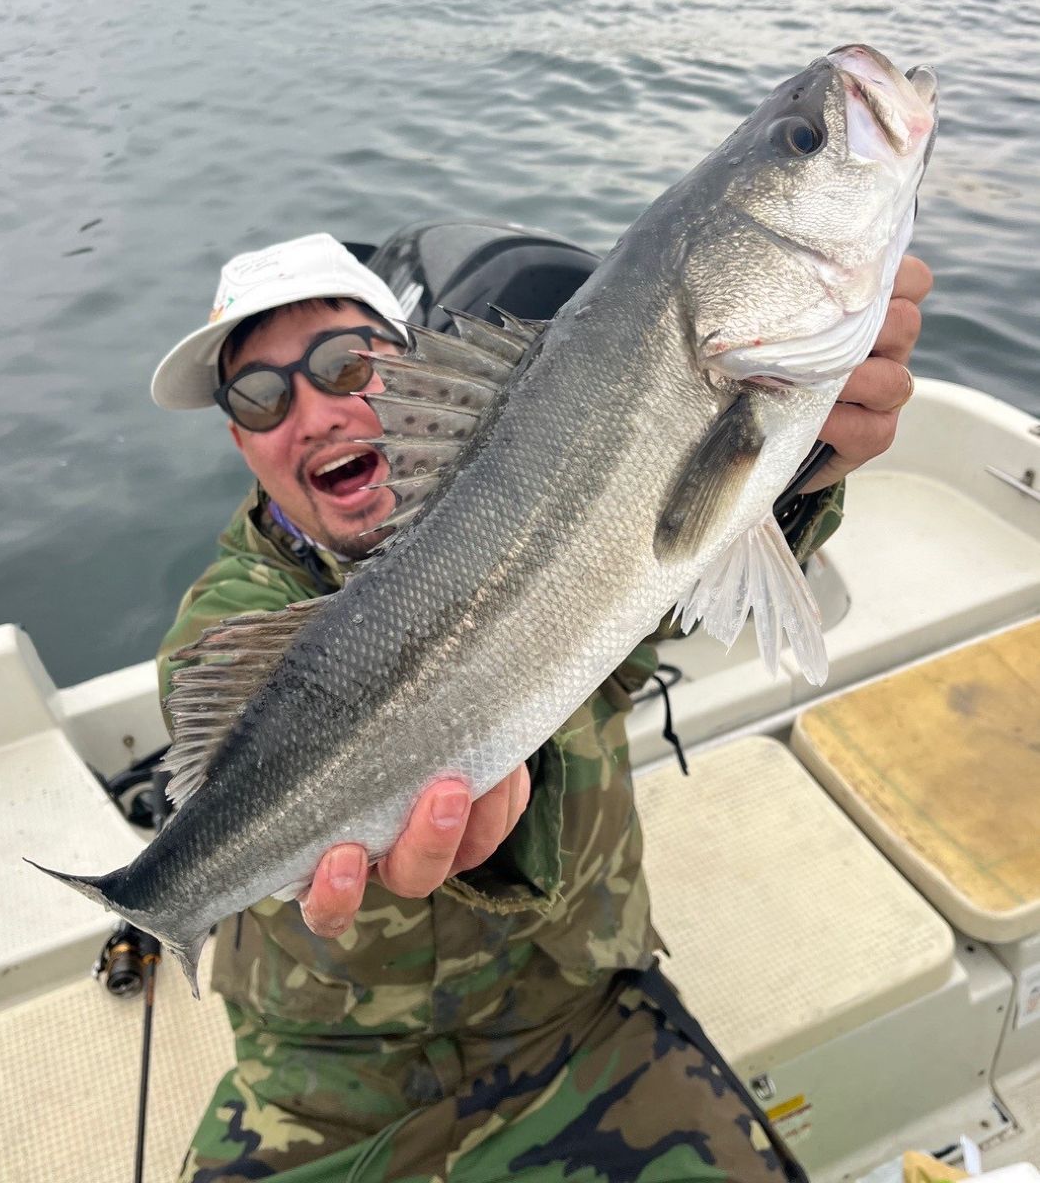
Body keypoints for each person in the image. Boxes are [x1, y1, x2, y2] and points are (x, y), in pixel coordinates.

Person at [151, 231, 931, 1183]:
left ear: (409, 365)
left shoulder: (557, 481)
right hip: (328, 1086)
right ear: (240, 440)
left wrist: (790, 477)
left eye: (344, 363)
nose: (313, 414)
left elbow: (650, 591)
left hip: (582, 1015)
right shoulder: (226, 625)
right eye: (261, 395)